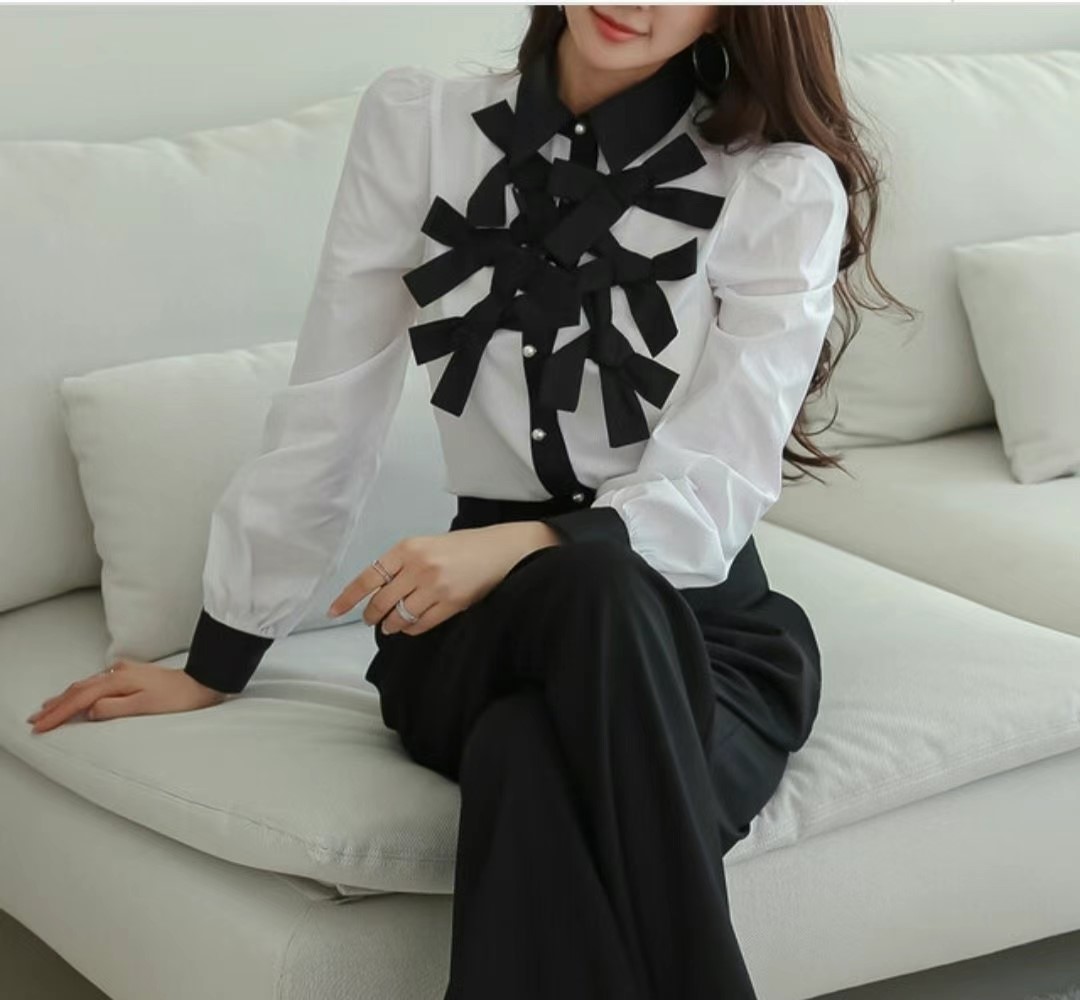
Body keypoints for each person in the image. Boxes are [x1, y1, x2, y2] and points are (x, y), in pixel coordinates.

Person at [27, 5, 910, 997]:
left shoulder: (774, 187)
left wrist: (523, 544)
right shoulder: (424, 130)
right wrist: (219, 656)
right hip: (474, 639)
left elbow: (719, 484)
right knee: (591, 589)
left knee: (528, 755)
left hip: (705, 642)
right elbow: (331, 402)